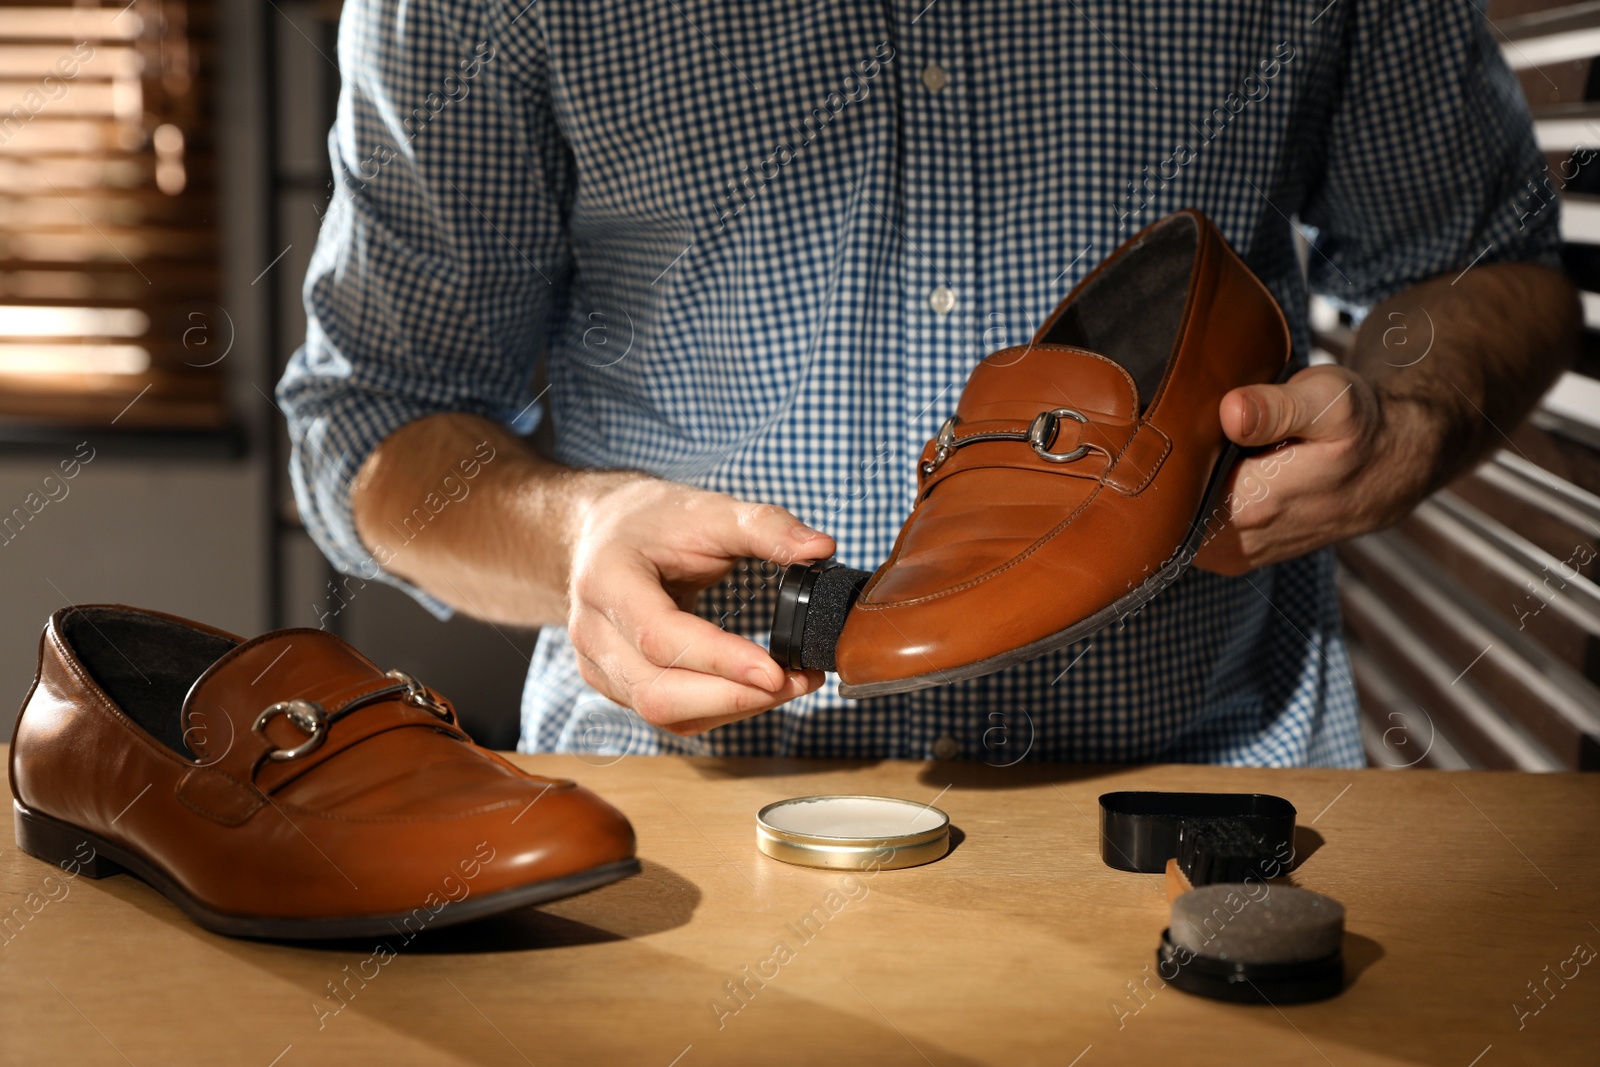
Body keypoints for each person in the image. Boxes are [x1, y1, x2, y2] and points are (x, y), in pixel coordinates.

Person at [279, 1, 1578, 766]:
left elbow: (1488, 266)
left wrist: (1406, 417)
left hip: (1209, 800)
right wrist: (574, 538)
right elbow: (378, 418)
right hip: (685, 828)